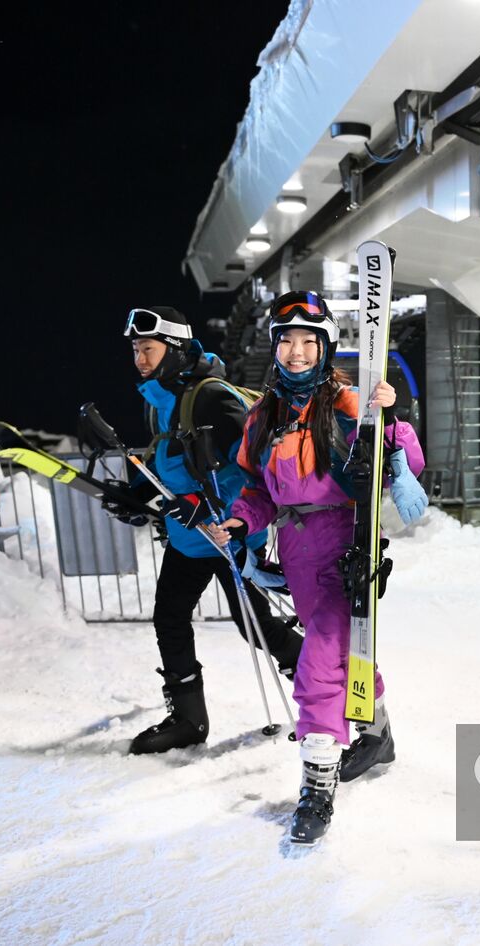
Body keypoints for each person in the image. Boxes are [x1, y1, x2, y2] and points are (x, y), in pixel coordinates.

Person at [220, 289, 428, 844]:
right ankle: (377, 734)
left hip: (344, 541)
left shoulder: (347, 401)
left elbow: (395, 451)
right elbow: (256, 489)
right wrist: (243, 524)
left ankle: (316, 785)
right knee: (339, 648)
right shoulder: (262, 416)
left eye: (307, 341)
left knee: (319, 663)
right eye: (286, 341)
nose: (295, 352)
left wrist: (395, 423)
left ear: (325, 345)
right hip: (294, 545)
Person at [108, 306, 304, 755]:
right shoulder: (160, 402)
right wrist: (136, 494)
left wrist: (234, 518)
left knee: (255, 626)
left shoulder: (212, 397)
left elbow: (256, 464)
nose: (140, 358)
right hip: (189, 537)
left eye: (149, 349)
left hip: (229, 534)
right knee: (170, 617)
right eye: (136, 350)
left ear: (174, 349)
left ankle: (320, 698)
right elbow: (164, 459)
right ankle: (188, 720)